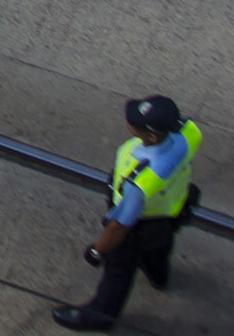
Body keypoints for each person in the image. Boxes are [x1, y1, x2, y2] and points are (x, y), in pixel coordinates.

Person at [52, 95, 202, 331]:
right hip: (170, 213)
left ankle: (100, 316)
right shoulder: (188, 134)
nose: (128, 123)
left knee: (118, 271)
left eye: (133, 123)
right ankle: (158, 276)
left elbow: (120, 226)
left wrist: (97, 250)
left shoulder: (140, 182)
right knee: (158, 250)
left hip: (138, 227)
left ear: (152, 136)